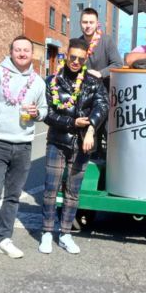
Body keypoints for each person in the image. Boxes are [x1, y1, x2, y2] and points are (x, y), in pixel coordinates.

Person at [0, 35, 48, 266]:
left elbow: (44, 109)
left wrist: (37, 113)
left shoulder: (38, 82)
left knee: (13, 196)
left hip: (23, 145)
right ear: (11, 52)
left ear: (32, 53)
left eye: (26, 50)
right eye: (18, 50)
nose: (22, 53)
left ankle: (4, 238)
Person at [38, 38, 109, 255]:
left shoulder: (92, 82)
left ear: (86, 59)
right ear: (66, 56)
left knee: (73, 191)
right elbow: (48, 114)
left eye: (80, 58)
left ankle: (66, 233)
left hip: (82, 143)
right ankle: (47, 232)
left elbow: (102, 105)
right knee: (51, 188)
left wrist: (91, 129)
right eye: (72, 57)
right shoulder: (52, 81)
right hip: (57, 141)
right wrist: (71, 123)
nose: (76, 62)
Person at [78, 7, 123, 85]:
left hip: (103, 88)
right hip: (82, 87)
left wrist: (101, 73)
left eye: (91, 22)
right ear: (80, 23)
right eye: (85, 22)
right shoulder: (77, 44)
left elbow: (118, 64)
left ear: (97, 24)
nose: (88, 25)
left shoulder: (107, 41)